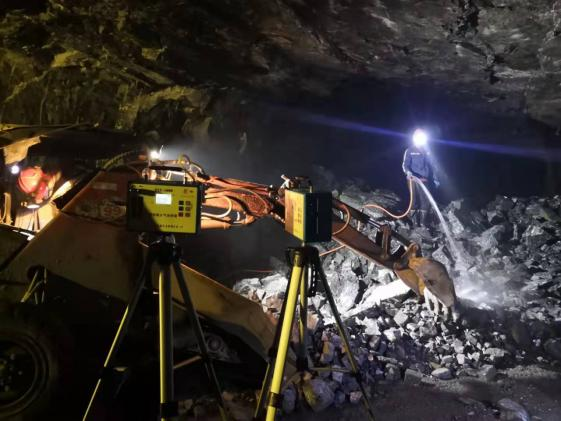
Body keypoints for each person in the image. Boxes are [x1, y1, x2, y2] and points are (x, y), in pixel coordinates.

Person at [402, 129, 439, 227]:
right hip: (413, 179)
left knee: (425, 201)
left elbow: (432, 166)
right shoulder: (409, 150)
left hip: (424, 180)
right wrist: (408, 173)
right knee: (413, 200)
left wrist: (435, 179)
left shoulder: (427, 151)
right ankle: (414, 223)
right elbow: (405, 165)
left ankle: (422, 224)